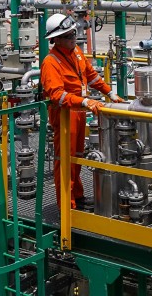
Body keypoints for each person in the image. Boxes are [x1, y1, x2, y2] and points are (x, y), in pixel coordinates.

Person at [40, 12, 123, 210]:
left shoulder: (76, 52)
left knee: (76, 156)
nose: (72, 39)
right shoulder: (50, 63)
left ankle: (77, 195)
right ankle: (66, 206)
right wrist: (85, 102)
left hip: (78, 112)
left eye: (73, 34)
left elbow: (91, 76)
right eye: (68, 36)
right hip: (64, 115)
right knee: (65, 160)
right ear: (56, 39)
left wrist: (110, 93)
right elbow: (57, 96)